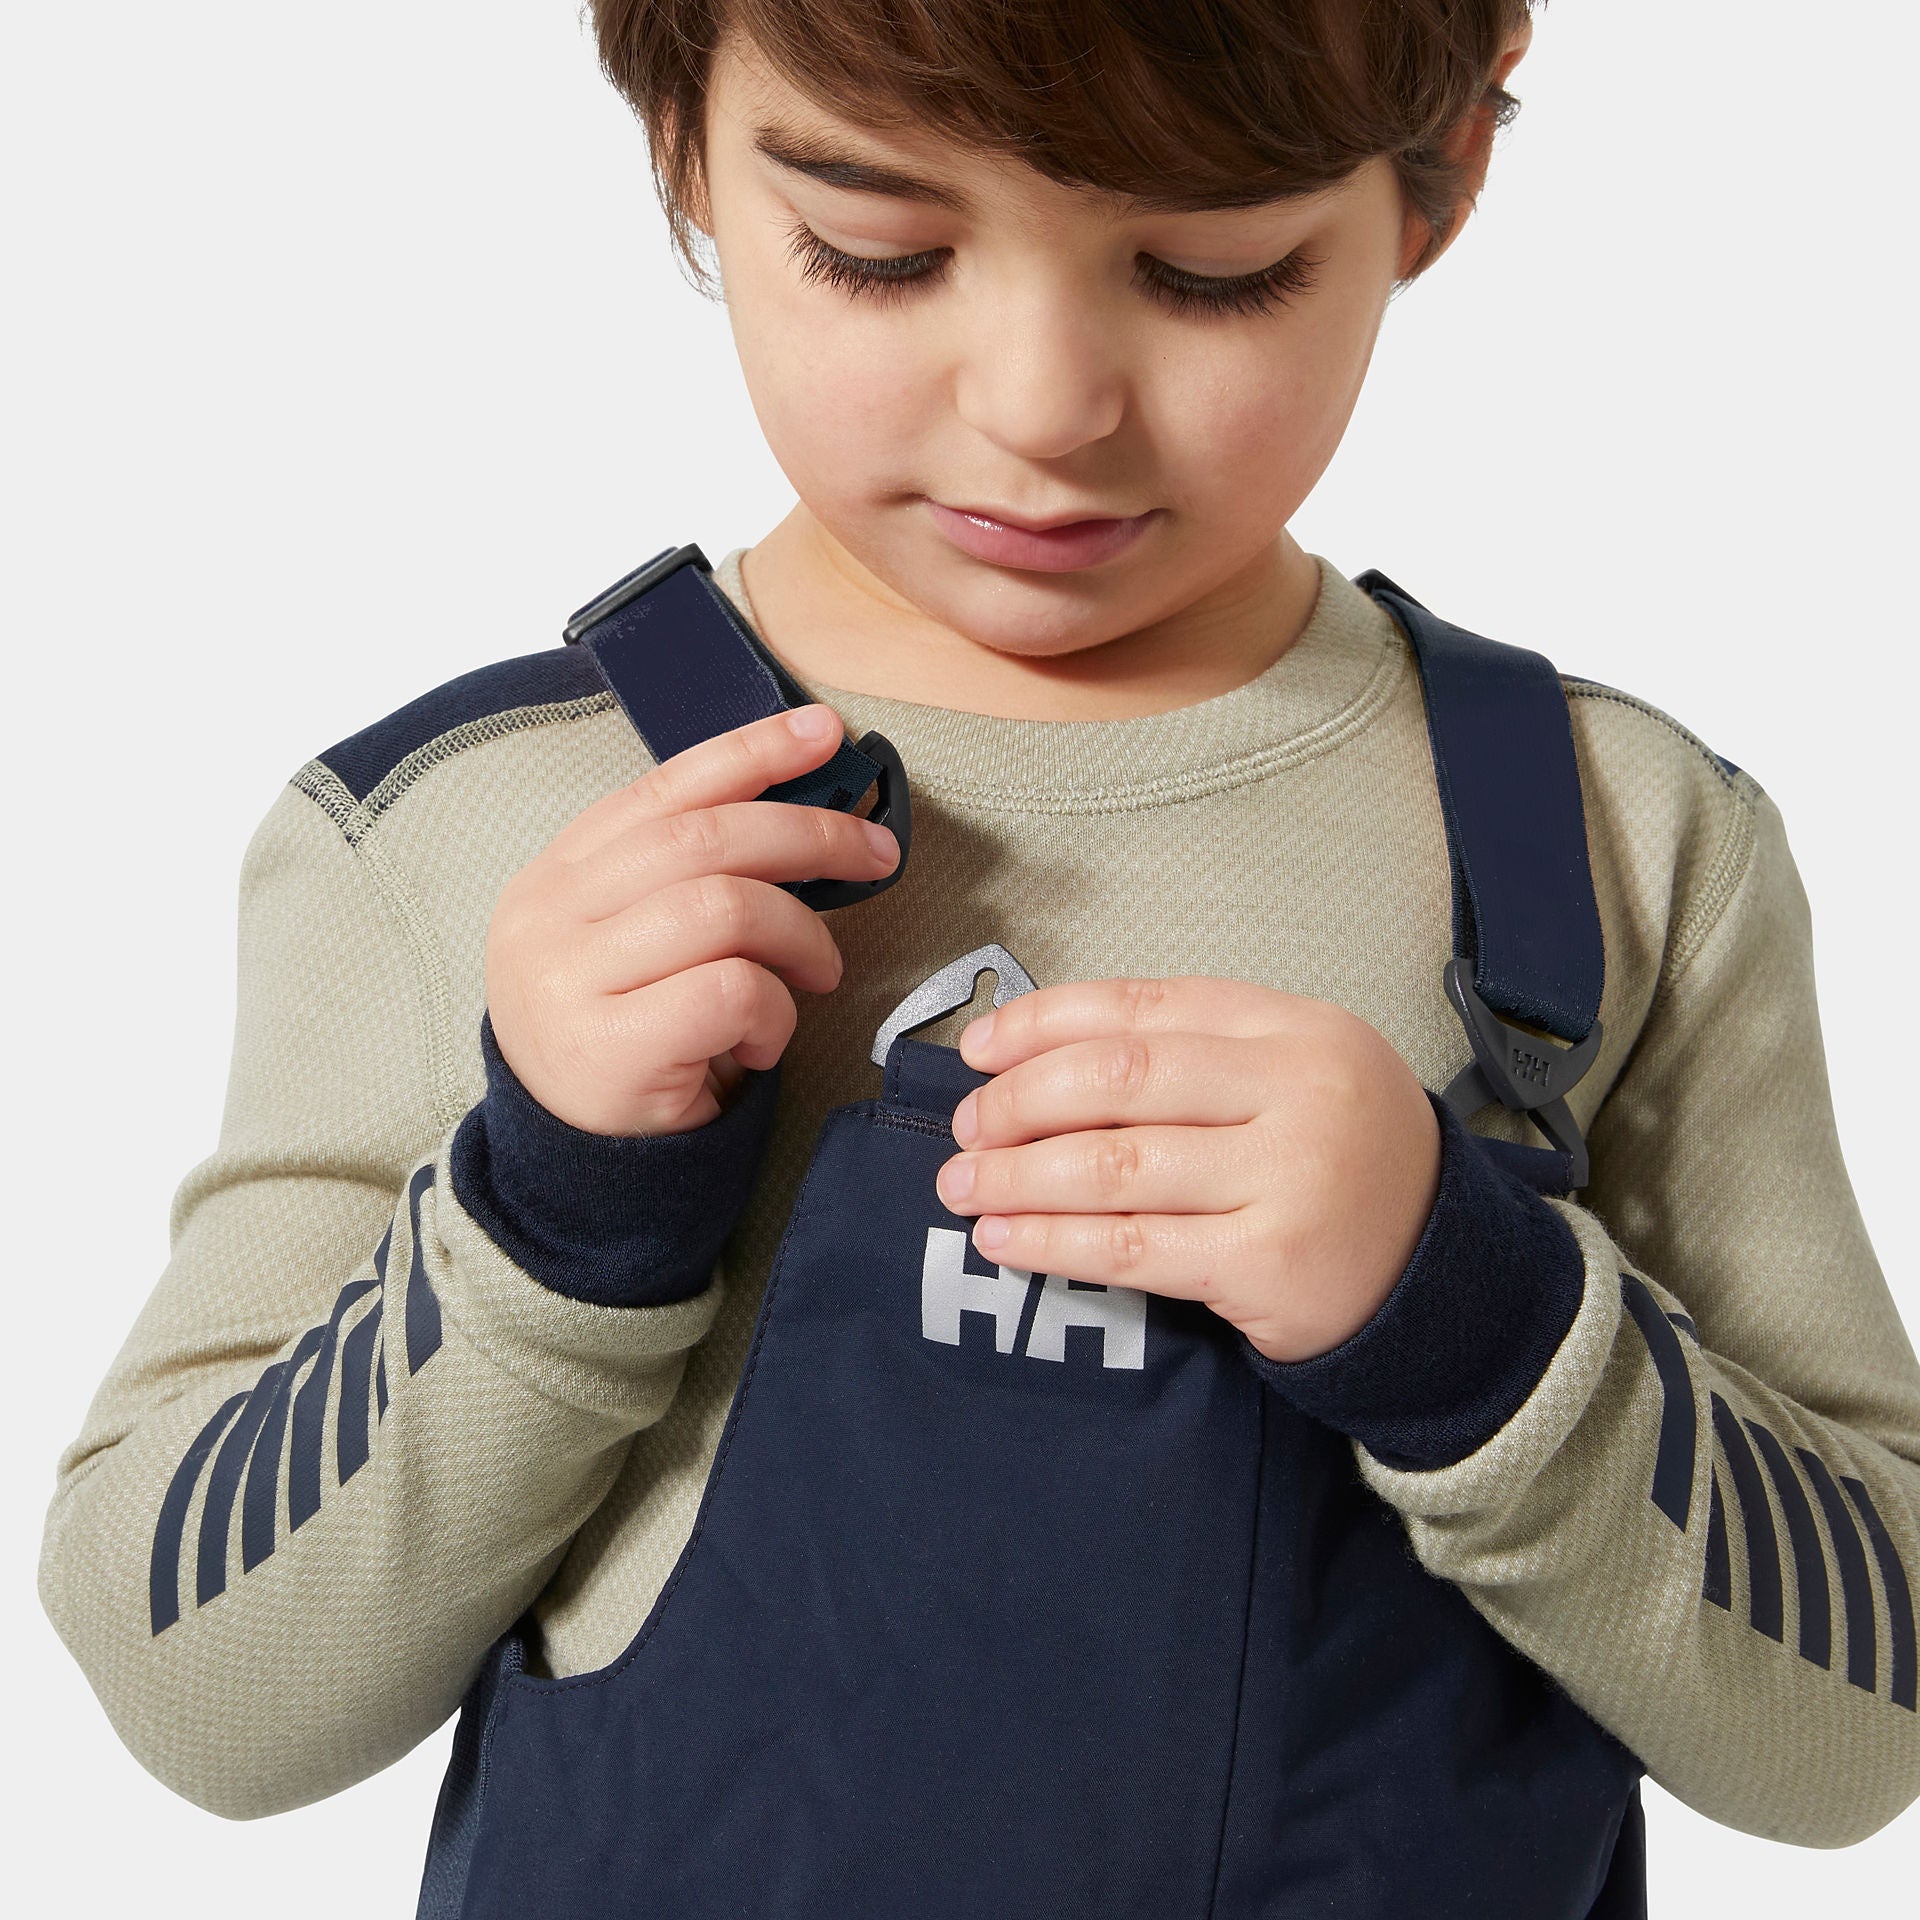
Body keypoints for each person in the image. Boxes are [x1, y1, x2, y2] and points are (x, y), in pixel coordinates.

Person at [39, 3, 1920, 1914]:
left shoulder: (1615, 845)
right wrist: (552, 1213)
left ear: (1440, 170)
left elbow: (1869, 1726)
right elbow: (199, 1694)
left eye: (1214, 270)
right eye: (882, 247)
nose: (1044, 407)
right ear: (686, 135)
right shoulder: (464, 830)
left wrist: (1476, 1321)